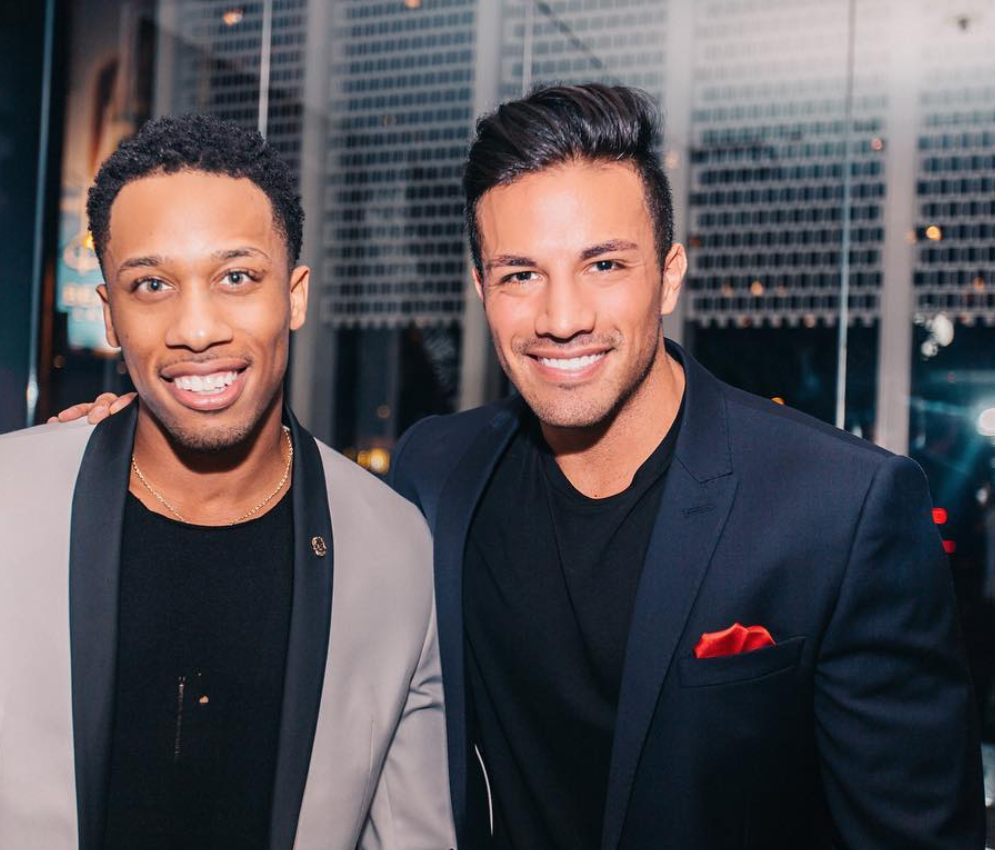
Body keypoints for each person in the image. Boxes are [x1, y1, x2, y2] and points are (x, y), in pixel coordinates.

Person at [59, 85, 986, 849]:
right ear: (482, 289)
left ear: (668, 275)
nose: (562, 316)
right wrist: (134, 435)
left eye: (604, 265)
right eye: (520, 274)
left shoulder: (840, 507)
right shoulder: (436, 473)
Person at [0, 114, 455, 850]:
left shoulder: (396, 546)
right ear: (111, 315)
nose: (196, 329)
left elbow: (413, 836)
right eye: (151, 284)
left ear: (295, 296)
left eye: (237, 277)